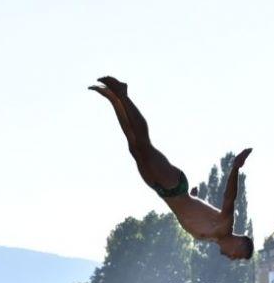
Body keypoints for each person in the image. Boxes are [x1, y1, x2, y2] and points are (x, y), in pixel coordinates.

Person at [90, 76, 253, 261]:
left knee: (134, 148)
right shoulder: (225, 225)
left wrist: (193, 197)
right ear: (239, 243)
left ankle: (114, 99)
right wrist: (235, 168)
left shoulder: (212, 237)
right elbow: (229, 198)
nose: (231, 258)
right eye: (236, 255)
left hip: (164, 192)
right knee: (144, 145)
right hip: (174, 185)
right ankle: (123, 95)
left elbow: (194, 211)